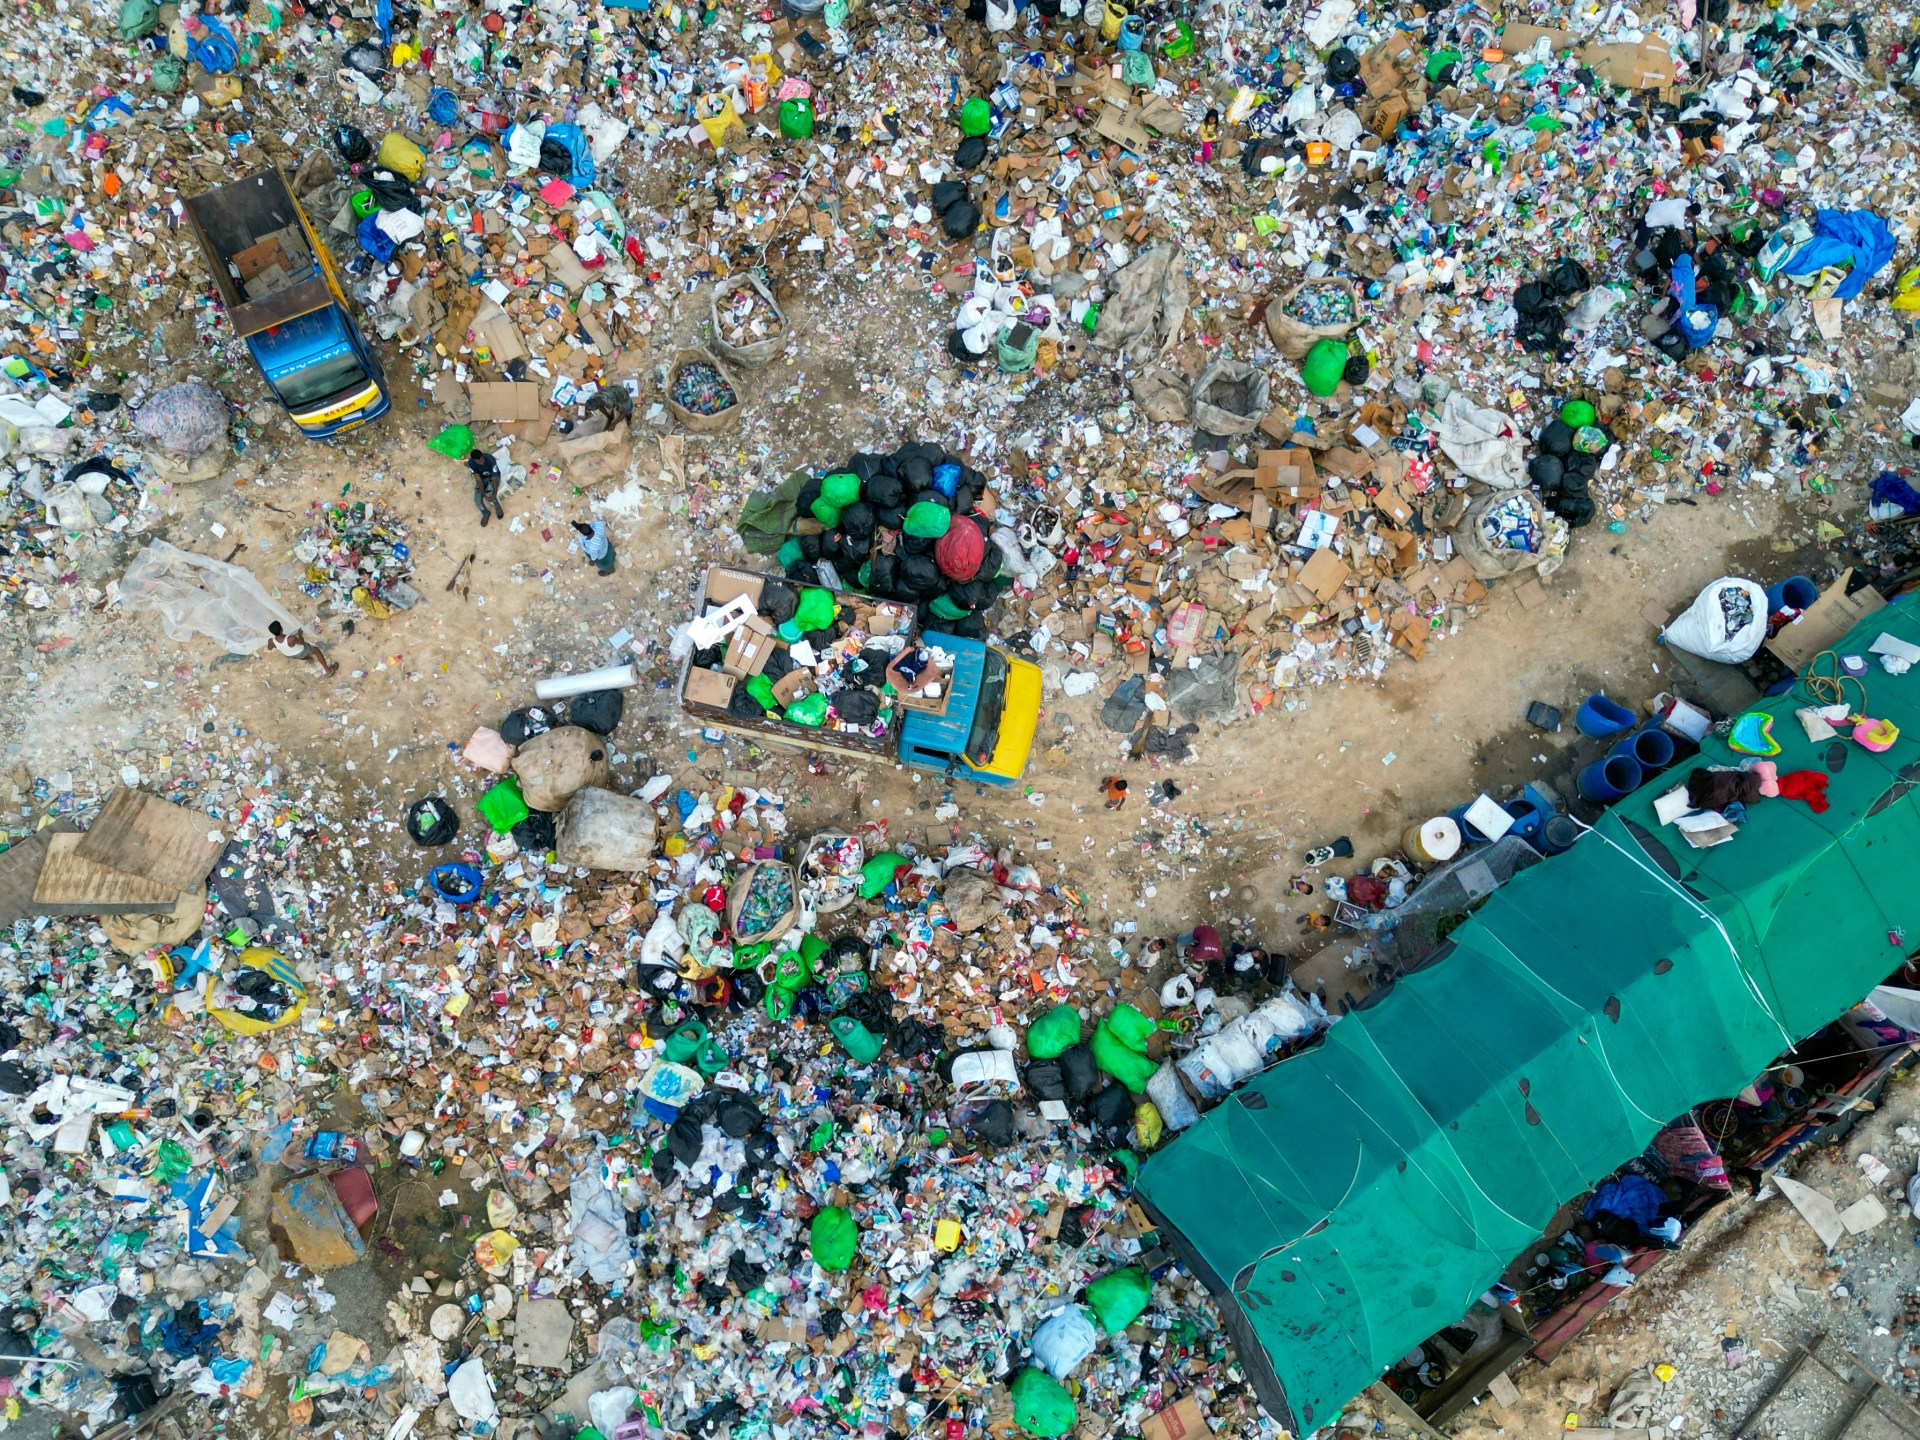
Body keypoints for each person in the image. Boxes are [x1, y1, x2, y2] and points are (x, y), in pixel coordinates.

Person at [266, 621, 336, 677]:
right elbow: (302, 642)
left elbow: (269, 648)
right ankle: (328, 671)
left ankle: (308, 658)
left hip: (289, 655)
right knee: (316, 650)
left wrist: (279, 645)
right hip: (300, 651)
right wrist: (300, 634)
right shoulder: (290, 639)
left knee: (299, 655)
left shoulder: (271, 641)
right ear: (281, 629)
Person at [467, 449, 504, 527]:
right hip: (482, 479)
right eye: (479, 462)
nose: (482, 462)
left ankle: (497, 506)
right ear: (474, 460)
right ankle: (485, 513)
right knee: (477, 500)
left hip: (493, 477)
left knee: (490, 493)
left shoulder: (490, 459)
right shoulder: (471, 463)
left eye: (482, 460)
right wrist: (483, 494)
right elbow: (478, 479)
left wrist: (495, 492)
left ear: (483, 456)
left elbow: (494, 477)